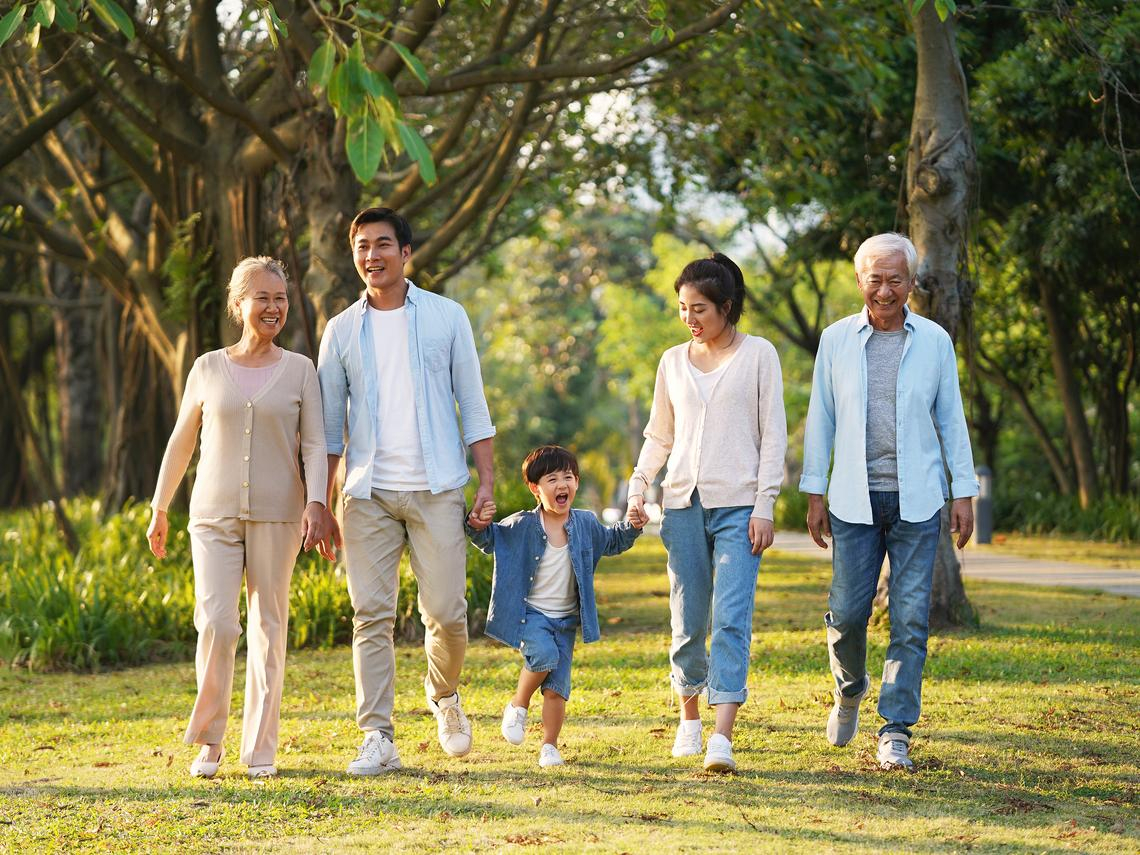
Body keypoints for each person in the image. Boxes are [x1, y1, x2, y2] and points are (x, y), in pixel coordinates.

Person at [317, 207, 495, 775]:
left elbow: (472, 400)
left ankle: (444, 695)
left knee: (447, 613)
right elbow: (325, 427)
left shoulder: (446, 316)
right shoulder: (340, 330)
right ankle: (377, 736)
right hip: (367, 492)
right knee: (370, 616)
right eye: (362, 247)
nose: (372, 256)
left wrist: (487, 479)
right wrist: (320, 502)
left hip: (436, 485)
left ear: (406, 252)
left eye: (383, 244)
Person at [146, 257, 330, 779]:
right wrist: (160, 507)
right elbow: (182, 441)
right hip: (212, 515)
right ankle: (210, 738)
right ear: (238, 304)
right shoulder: (207, 367)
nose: (273, 308)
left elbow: (315, 445)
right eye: (262, 298)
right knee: (218, 624)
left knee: (270, 628)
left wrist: (317, 501)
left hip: (278, 514)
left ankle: (261, 748)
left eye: (281, 299)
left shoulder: (300, 369)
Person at [800, 232, 978, 770]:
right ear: (859, 281)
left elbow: (951, 419)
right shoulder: (834, 340)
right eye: (874, 279)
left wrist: (964, 490)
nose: (884, 289)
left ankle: (895, 726)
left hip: (919, 500)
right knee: (850, 615)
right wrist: (814, 491)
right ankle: (850, 689)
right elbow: (821, 419)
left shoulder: (934, 342)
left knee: (909, 618)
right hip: (853, 500)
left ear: (911, 283)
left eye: (895, 279)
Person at [627, 253, 787, 774]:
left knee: (732, 618)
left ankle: (722, 735)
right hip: (682, 506)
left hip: (740, 506)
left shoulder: (760, 355)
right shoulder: (672, 361)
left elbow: (773, 437)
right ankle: (689, 719)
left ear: (727, 306)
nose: (690, 318)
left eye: (699, 308)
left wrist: (765, 504)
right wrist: (639, 484)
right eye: (682, 308)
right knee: (688, 618)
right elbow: (660, 435)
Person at [466, 445, 645, 768]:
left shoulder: (586, 524)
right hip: (531, 615)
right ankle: (518, 704)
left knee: (557, 690)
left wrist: (633, 526)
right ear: (535, 488)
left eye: (569, 477)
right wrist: (478, 524)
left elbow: (612, 541)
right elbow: (489, 539)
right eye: (552, 479)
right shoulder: (522, 525)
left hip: (566, 620)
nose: (562, 485)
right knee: (544, 656)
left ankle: (549, 746)